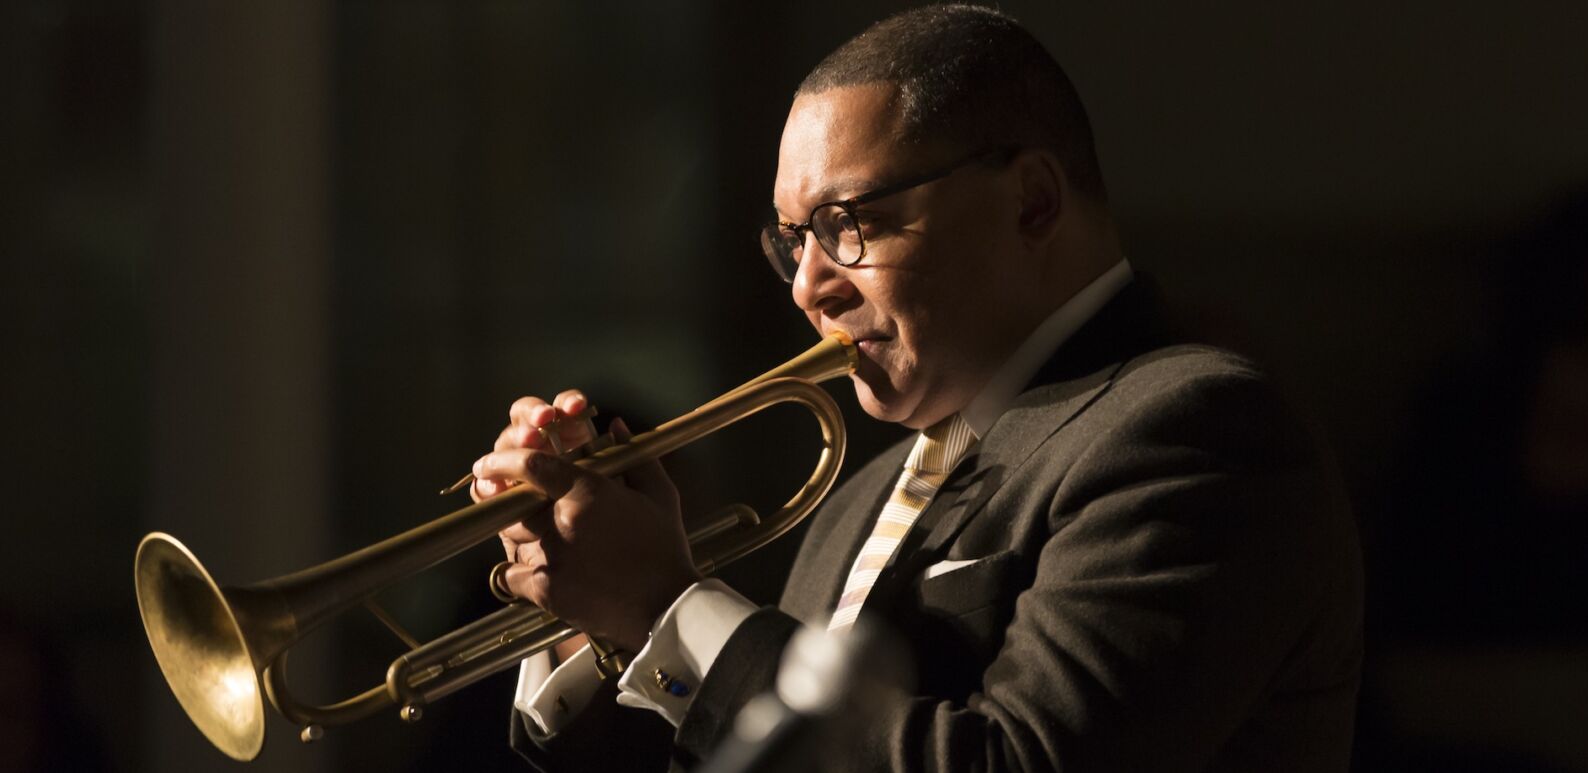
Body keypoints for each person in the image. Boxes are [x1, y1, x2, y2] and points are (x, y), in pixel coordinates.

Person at [468, 6, 1363, 772]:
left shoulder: (1196, 428)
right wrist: (594, 615)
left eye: (847, 223)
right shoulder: (856, 503)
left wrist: (669, 603)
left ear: (1034, 203)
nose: (806, 286)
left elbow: (1019, 761)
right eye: (792, 240)